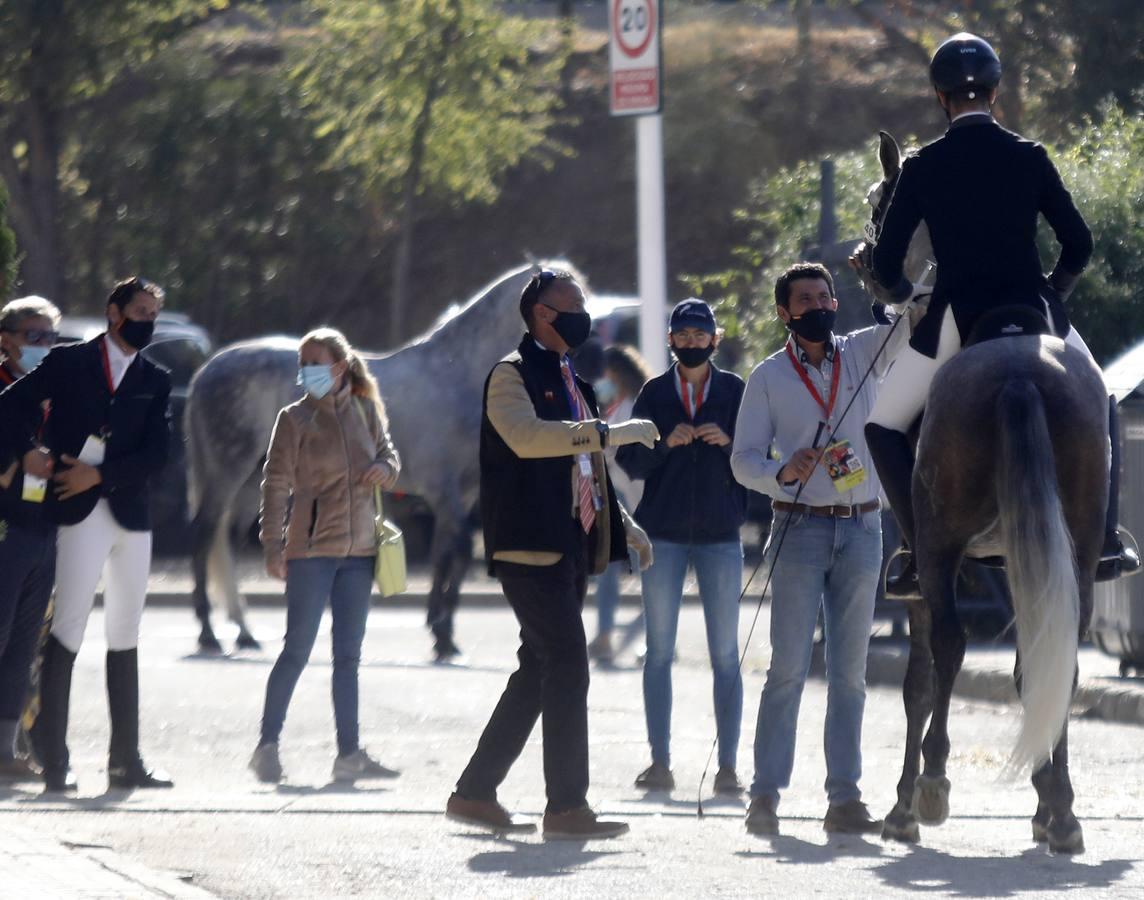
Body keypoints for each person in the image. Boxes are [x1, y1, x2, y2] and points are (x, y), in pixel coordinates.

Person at [862, 31, 1137, 593]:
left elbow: (889, 267)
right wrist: (1052, 296)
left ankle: (919, 556)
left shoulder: (921, 167)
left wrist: (894, 288)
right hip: (1034, 309)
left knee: (882, 424)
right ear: (994, 92)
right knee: (1103, 399)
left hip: (955, 317)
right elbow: (1079, 245)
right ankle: (1105, 540)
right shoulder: (1030, 155)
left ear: (941, 97)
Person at [446, 268, 658, 840]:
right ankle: (566, 807)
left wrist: (627, 526)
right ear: (542, 313)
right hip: (527, 544)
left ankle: (473, 792)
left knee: (538, 667)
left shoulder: (574, 379)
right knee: (567, 661)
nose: (583, 314)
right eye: (574, 304)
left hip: (568, 544)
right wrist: (609, 434)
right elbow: (530, 438)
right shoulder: (510, 376)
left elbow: (586, 469)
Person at [732, 263, 907, 836]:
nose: (817, 305)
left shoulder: (863, 351)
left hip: (862, 527)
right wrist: (782, 471)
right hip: (798, 528)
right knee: (786, 668)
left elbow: (912, 316)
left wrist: (895, 269)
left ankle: (845, 797)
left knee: (850, 674)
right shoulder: (767, 377)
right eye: (804, 299)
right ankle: (765, 794)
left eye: (825, 295)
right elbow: (742, 460)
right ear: (784, 312)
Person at [0, 277, 173, 793]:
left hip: (127, 512)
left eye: (153, 314)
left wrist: (102, 474)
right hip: (77, 514)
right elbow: (8, 406)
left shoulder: (155, 376)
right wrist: (26, 453)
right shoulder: (68, 361)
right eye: (139, 310)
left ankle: (126, 758)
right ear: (114, 312)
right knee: (67, 628)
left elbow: (159, 453)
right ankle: (55, 756)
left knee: (126, 630)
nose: (146, 321)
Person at [251, 328, 402, 785]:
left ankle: (349, 754)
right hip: (311, 550)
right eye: (303, 363)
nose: (306, 371)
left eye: (315, 362)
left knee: (348, 658)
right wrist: (272, 545)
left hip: (360, 552)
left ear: (340, 366)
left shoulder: (365, 410)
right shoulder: (294, 419)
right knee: (296, 649)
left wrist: (386, 468)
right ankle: (267, 745)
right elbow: (275, 484)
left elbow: (389, 456)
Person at [614, 299, 747, 795]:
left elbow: (760, 458)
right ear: (670, 341)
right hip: (662, 534)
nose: (691, 342)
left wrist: (729, 442)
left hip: (720, 536)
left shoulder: (734, 390)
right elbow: (629, 461)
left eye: (700, 334)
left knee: (726, 655)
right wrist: (665, 443)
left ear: (716, 339)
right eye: (683, 335)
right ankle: (660, 761)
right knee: (659, 652)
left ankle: (729, 767)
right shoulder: (653, 393)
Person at [0, 296, 61, 780]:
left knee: (23, 646)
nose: (42, 345)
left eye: (49, 337)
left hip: (43, 529)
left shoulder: (52, 396)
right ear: (7, 340)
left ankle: (5, 750)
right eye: (32, 336)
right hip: (6, 532)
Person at [587, 343, 652, 663]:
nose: (604, 380)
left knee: (640, 573)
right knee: (613, 571)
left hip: (635, 501)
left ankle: (648, 635)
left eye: (608, 374)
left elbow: (614, 451)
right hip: (623, 499)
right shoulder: (622, 405)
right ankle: (606, 635)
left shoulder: (634, 407)